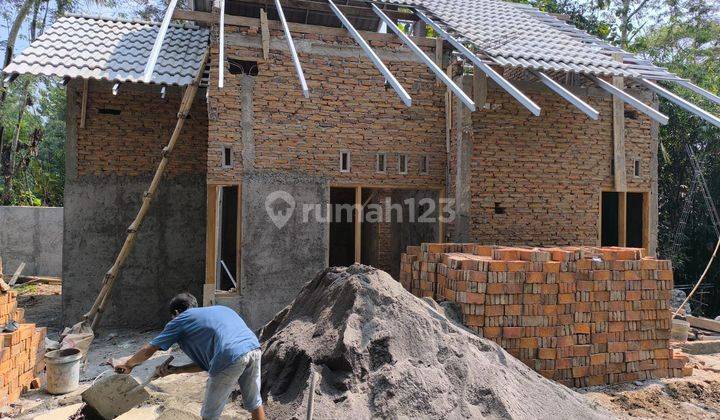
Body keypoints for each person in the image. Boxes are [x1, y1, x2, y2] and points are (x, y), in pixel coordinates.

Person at [113, 293, 265, 420]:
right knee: (254, 403)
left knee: (209, 415)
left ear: (176, 313)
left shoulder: (181, 319)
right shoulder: (219, 310)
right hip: (254, 348)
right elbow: (209, 364)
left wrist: (129, 364)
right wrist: (175, 370)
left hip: (230, 355)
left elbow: (150, 349)